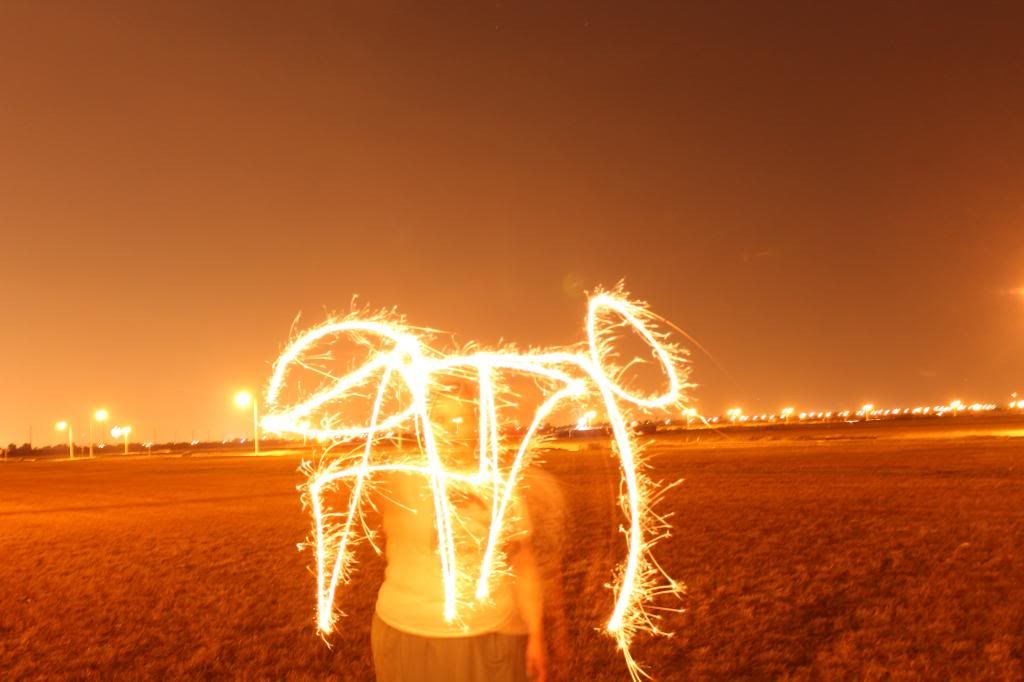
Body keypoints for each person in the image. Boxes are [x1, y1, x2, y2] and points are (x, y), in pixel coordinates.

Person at [369, 381, 547, 682]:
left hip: (481, 635)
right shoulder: (395, 479)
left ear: (477, 424)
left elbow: (522, 562)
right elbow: (356, 517)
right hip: (404, 634)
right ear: (424, 426)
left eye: (461, 419)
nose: (451, 430)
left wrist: (536, 634)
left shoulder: (499, 487)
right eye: (439, 419)